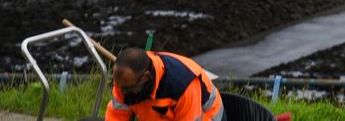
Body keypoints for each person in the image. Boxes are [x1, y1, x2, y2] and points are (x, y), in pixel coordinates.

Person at [98, 46, 288, 121]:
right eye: (118, 86)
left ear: (146, 77)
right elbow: (116, 115)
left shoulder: (182, 84)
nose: (121, 91)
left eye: (127, 88)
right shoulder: (126, 81)